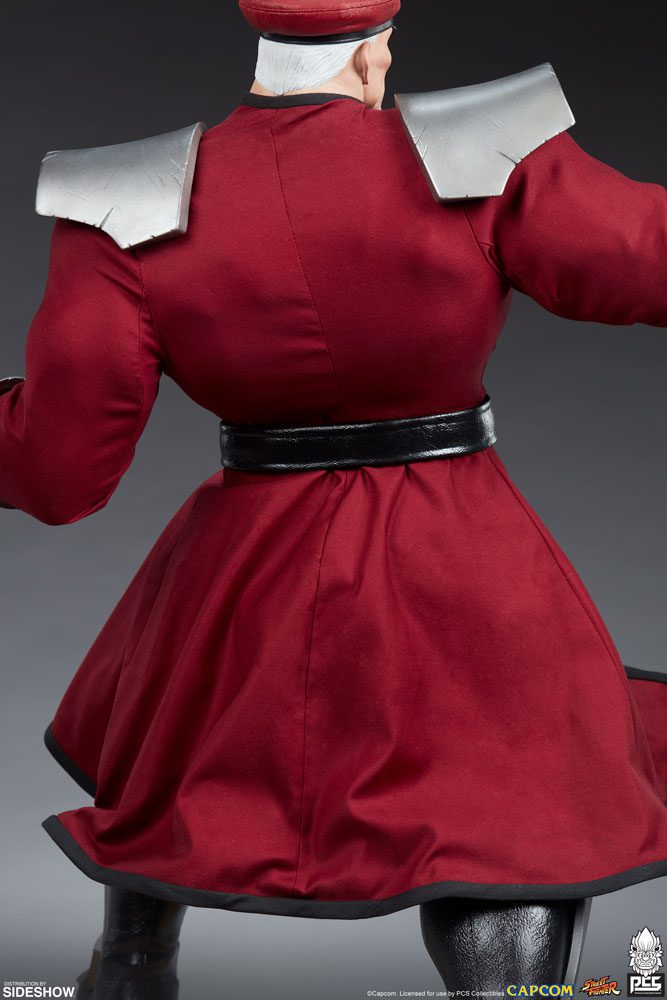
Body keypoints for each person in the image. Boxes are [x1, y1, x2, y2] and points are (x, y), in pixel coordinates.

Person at [2, 1, 667, 996]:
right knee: (508, 798)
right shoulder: (480, 155)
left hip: (243, 577)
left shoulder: (124, 201)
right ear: (373, 57)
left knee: (171, 750)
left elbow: (58, 470)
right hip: (460, 558)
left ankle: (133, 963)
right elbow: (646, 256)